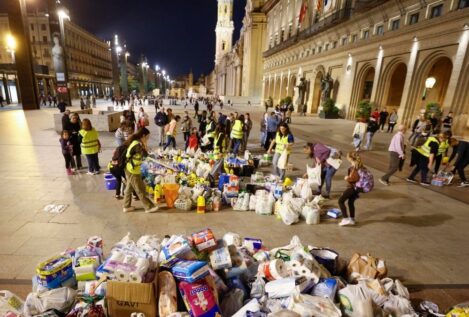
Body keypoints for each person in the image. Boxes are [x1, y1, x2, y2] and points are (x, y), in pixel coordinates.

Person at [123, 128, 159, 213]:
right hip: (132, 170)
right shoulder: (137, 144)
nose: (148, 139)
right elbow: (145, 155)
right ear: (143, 135)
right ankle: (148, 207)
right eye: (147, 137)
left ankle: (126, 206)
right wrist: (145, 145)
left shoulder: (137, 142)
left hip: (131, 168)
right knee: (140, 189)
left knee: (129, 188)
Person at [338, 152, 364, 226]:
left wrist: (347, 178)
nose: (346, 157)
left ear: (351, 158)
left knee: (340, 201)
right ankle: (352, 219)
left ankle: (345, 219)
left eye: (347, 156)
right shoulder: (358, 165)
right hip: (357, 188)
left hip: (353, 187)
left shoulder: (355, 167)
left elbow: (354, 178)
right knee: (350, 202)